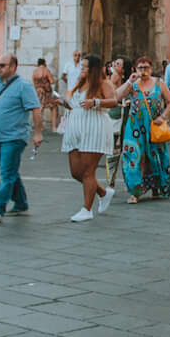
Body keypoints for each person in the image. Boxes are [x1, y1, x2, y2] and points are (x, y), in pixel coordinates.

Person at [0, 53, 38, 224]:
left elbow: (35, 109)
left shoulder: (23, 86)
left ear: (13, 67)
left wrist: (38, 133)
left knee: (6, 173)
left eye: (3, 65)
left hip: (14, 137)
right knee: (9, 171)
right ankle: (21, 203)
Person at [58, 54, 117, 222]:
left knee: (88, 171)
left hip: (94, 127)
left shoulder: (103, 83)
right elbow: (75, 105)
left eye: (84, 66)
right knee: (76, 172)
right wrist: (62, 102)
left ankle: (87, 209)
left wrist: (96, 102)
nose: (81, 69)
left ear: (93, 69)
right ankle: (103, 193)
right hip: (76, 128)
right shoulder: (80, 83)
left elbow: (113, 101)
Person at [117, 57, 170, 202]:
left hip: (154, 127)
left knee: (156, 157)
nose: (143, 70)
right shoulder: (133, 84)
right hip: (135, 128)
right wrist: (129, 81)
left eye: (146, 67)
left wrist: (164, 117)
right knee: (134, 157)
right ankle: (134, 192)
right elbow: (117, 96)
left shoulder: (159, 83)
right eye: (140, 68)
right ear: (135, 69)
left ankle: (156, 187)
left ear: (151, 69)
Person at [29, 57, 58, 156]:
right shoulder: (46, 70)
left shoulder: (35, 72)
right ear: (44, 63)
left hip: (38, 91)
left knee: (39, 109)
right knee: (53, 107)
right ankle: (54, 127)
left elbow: (33, 83)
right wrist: (52, 90)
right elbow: (52, 81)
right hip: (46, 92)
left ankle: (39, 127)